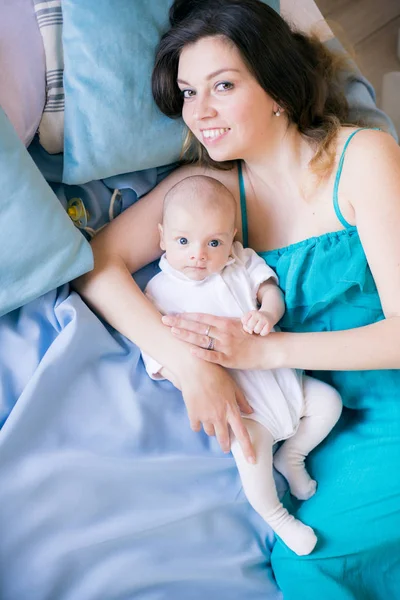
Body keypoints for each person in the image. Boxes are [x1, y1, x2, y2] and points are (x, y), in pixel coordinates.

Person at [74, 0, 400, 597]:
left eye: (223, 85)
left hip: (386, 404)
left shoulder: (363, 159)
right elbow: (96, 267)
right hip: (306, 421)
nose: (201, 113)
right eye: (189, 92)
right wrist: (192, 366)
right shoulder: (211, 197)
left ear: (276, 85)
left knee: (312, 568)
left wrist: (263, 353)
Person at [140, 174, 342, 556]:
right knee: (250, 458)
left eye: (213, 242)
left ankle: (294, 454)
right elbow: (159, 351)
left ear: (231, 238)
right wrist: (190, 375)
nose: (198, 254)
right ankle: (279, 519)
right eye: (183, 242)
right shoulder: (161, 292)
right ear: (162, 237)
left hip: (285, 381)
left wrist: (268, 313)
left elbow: (271, 291)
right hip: (246, 405)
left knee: (329, 403)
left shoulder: (241, 262)